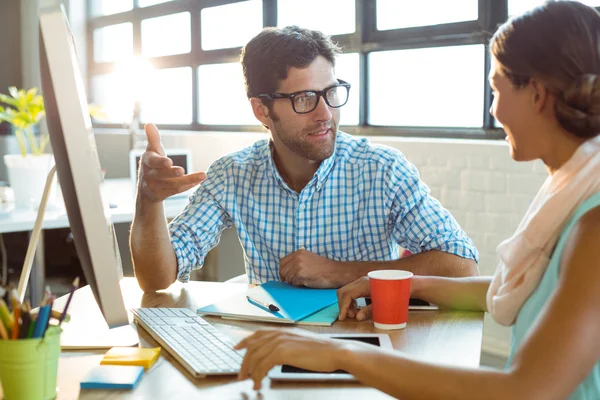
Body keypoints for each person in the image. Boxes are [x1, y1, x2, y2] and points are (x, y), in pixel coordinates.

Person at [234, 2, 600, 398]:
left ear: (538, 96)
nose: (493, 110)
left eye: (496, 89)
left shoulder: (593, 224)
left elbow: (525, 390)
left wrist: (343, 353)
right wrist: (408, 285)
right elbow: (521, 286)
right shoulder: (575, 188)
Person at [130, 26, 479, 293]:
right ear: (261, 110)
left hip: (363, 347)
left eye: (330, 93)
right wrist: (148, 201)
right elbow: (157, 279)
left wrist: (339, 273)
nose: (325, 113)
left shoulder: (382, 170)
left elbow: (462, 266)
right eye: (305, 98)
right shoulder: (232, 174)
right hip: (272, 348)